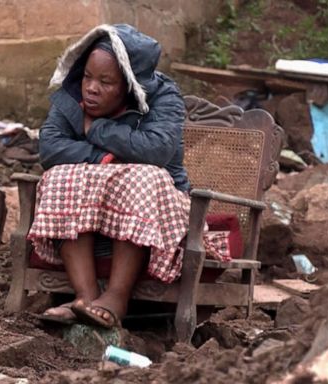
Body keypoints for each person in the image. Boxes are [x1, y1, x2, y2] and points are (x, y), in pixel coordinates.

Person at [27, 24, 230, 328]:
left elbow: (157, 150)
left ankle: (116, 298)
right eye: (88, 77)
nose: (91, 88)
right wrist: (104, 158)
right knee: (59, 177)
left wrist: (94, 128)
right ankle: (85, 296)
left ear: (129, 84)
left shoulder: (164, 96)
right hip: (88, 222)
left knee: (141, 178)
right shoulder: (72, 94)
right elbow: (50, 148)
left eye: (105, 81)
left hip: (157, 216)